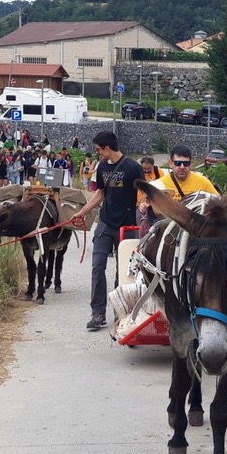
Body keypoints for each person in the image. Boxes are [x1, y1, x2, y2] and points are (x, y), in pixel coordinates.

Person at [74, 131, 145, 331]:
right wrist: (82, 212)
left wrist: (142, 206)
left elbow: (143, 192)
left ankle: (119, 312)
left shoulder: (133, 167)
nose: (97, 153)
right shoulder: (102, 167)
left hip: (127, 225)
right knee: (97, 267)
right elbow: (100, 194)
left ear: (107, 147)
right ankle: (97, 313)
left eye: (98, 149)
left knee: (121, 272)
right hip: (105, 223)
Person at [135, 156, 166, 234]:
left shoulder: (158, 172)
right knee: (140, 219)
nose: (146, 171)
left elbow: (162, 184)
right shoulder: (138, 172)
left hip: (156, 202)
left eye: (149, 168)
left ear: (153, 166)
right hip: (140, 203)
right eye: (144, 169)